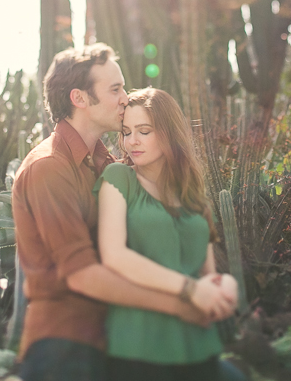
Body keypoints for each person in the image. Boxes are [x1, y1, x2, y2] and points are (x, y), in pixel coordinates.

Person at [11, 44, 235, 381]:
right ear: (80, 99)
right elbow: (82, 275)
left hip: (118, 336)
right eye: (115, 89)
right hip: (66, 344)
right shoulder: (49, 168)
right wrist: (183, 303)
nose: (124, 98)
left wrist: (214, 282)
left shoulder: (108, 165)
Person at [95, 87, 237, 381]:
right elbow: (114, 256)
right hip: (138, 346)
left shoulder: (193, 192)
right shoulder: (118, 178)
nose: (131, 140)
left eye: (144, 131)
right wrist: (190, 289)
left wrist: (225, 287)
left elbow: (206, 271)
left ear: (168, 133)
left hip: (197, 343)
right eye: (126, 131)